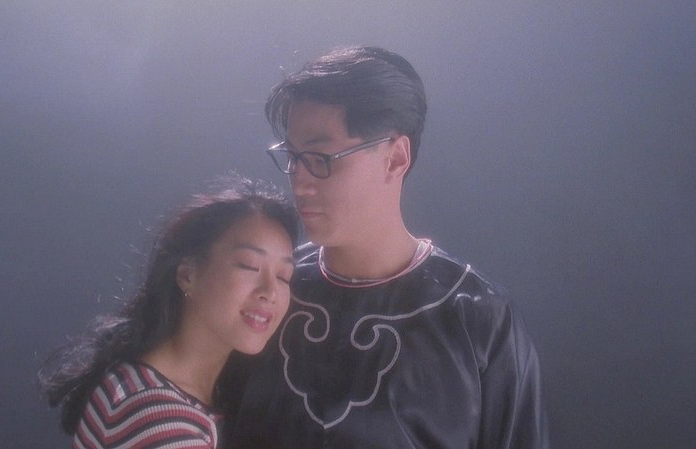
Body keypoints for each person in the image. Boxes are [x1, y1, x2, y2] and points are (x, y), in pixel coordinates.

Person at [227, 46, 548, 448]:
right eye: (293, 157)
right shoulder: (270, 291)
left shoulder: (477, 318)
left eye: (321, 158)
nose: (300, 182)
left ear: (395, 158)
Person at [39, 176, 300, 449]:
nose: (270, 291)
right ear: (187, 275)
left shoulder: (143, 378)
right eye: (248, 265)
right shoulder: (160, 423)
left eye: (284, 276)